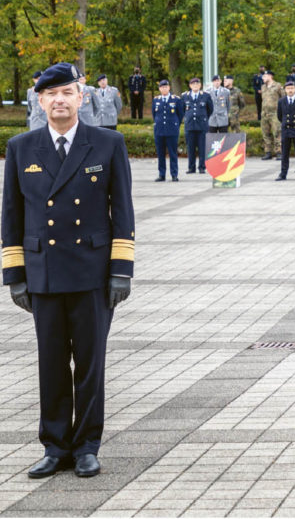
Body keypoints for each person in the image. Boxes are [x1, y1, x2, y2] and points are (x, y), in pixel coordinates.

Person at [2, 62, 134, 479]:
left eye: (67, 92)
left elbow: (123, 211)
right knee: (51, 362)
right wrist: (15, 274)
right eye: (51, 94)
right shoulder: (21, 147)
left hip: (92, 272)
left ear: (82, 97)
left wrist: (121, 270)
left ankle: (87, 446)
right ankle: (55, 445)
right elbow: (11, 216)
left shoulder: (107, 143)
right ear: (39, 101)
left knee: (91, 363)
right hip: (43, 273)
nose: (59, 100)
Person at [152, 79, 182, 182]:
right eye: (162, 87)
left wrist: (176, 124)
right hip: (159, 131)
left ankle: (174, 174)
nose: (164, 89)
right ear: (159, 89)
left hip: (172, 130)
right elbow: (154, 115)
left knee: (173, 153)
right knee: (160, 154)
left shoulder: (176, 100)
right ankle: (162, 174)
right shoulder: (156, 100)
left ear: (169, 88)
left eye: (166, 87)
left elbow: (180, 114)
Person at [181, 77, 213, 174]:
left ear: (200, 85)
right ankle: (191, 167)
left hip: (202, 126)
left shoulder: (206, 96)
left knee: (202, 147)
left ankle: (202, 167)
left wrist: (203, 118)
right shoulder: (184, 96)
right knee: (190, 148)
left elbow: (210, 109)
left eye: (197, 84)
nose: (195, 86)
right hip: (190, 125)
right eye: (193, 84)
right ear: (190, 86)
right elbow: (182, 110)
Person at [260, 70, 283, 161]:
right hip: (264, 113)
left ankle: (279, 152)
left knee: (277, 132)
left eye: (264, 76)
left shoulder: (277, 86)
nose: (263, 78)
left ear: (270, 76)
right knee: (266, 133)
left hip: (275, 113)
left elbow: (283, 98)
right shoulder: (263, 87)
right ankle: (268, 152)